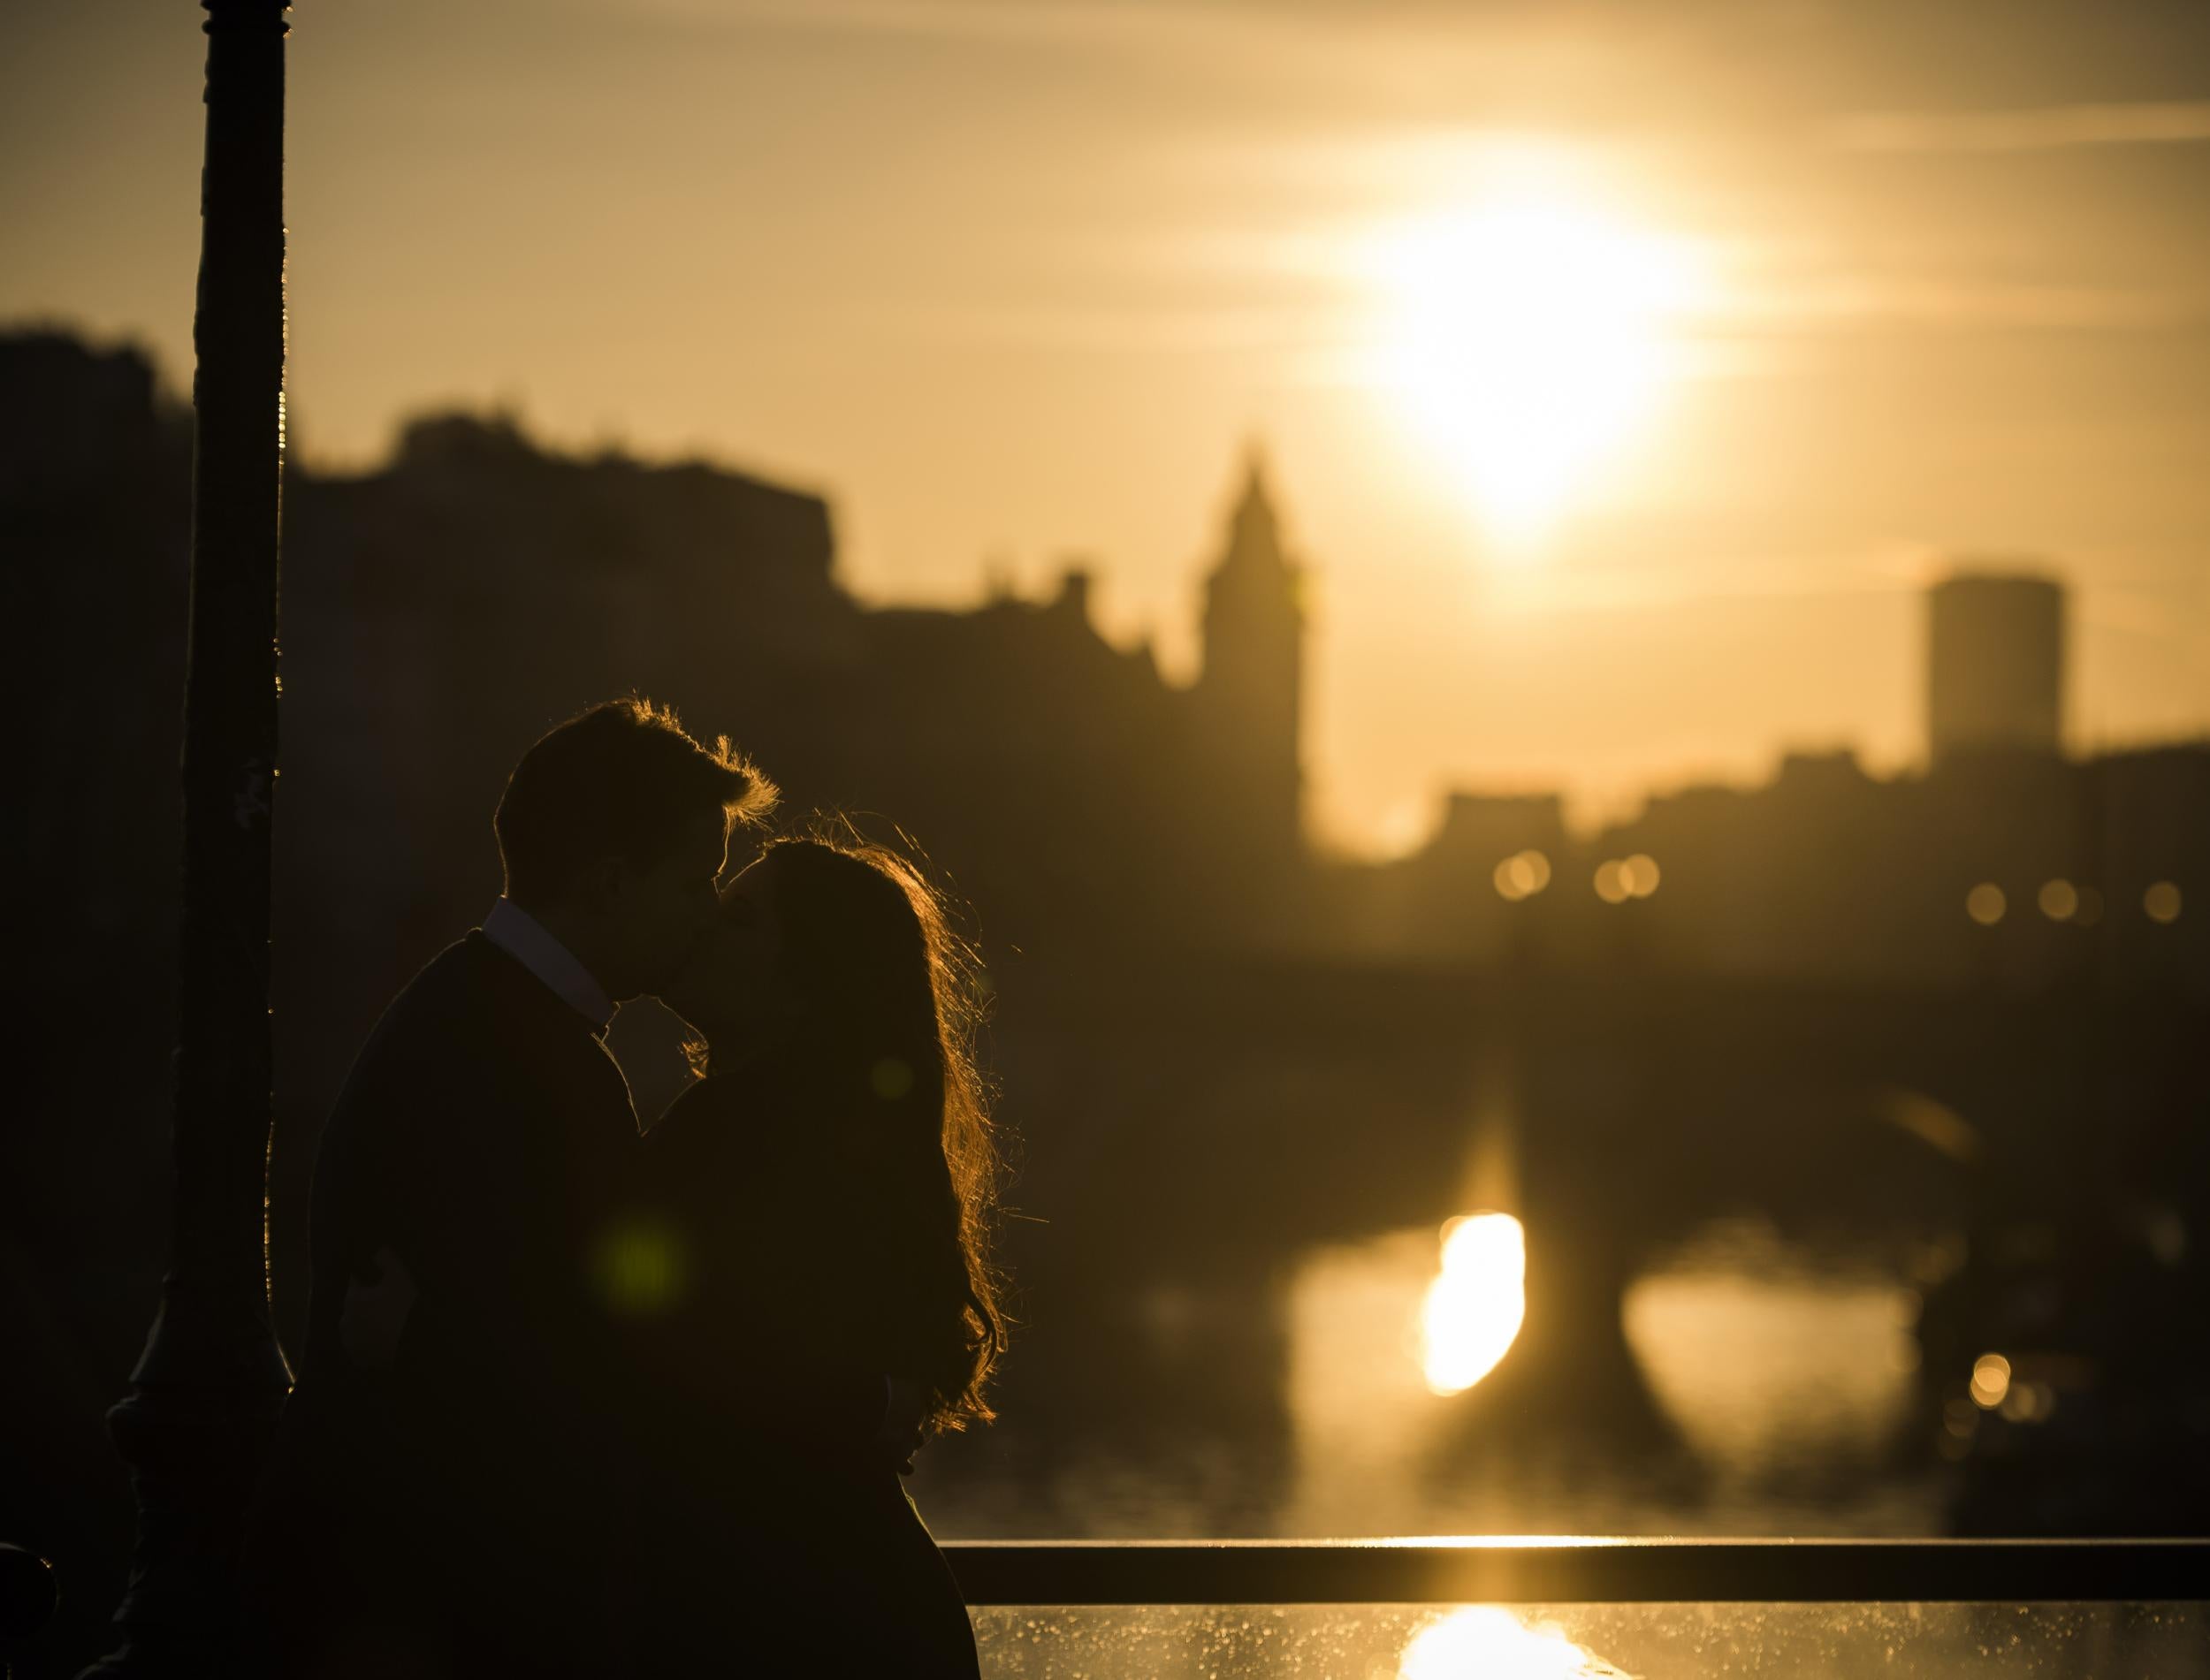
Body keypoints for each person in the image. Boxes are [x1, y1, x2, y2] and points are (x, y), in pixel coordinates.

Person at [248, 696, 778, 1676]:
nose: (709, 909)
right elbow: (587, 1359)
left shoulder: (469, 1015)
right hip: (435, 1613)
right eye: (694, 882)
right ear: (611, 884)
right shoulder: (533, 1062)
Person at [633, 827, 1010, 1677]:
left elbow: (664, 1364)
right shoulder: (843, 1141)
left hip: (787, 1623)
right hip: (866, 1611)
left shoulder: (730, 1137)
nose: (702, 928)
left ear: (805, 985)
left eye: (738, 921)